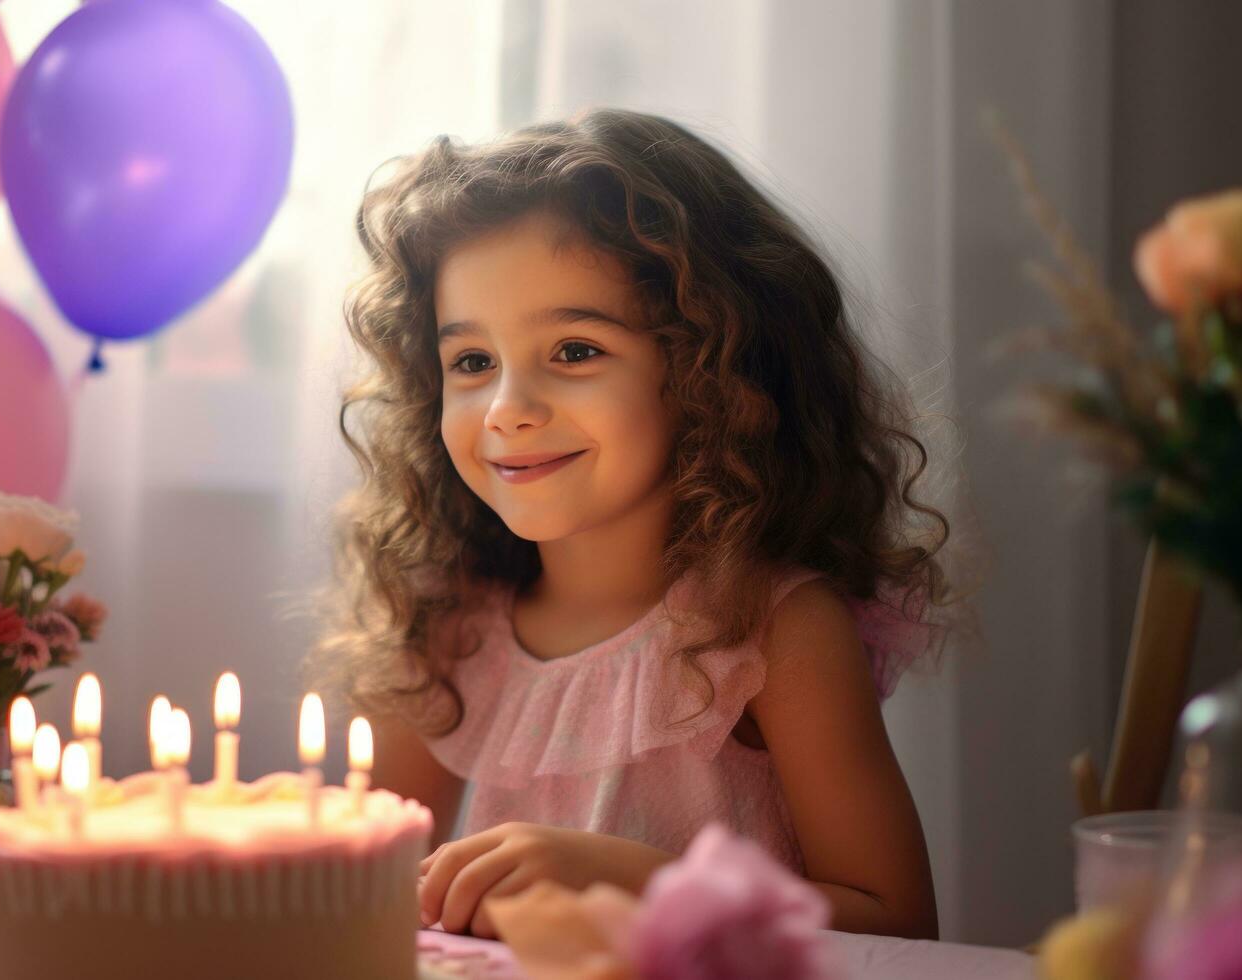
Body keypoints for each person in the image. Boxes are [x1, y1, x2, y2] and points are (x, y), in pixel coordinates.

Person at [308, 107, 961, 941]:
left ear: (709, 372)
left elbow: (898, 929)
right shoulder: (445, 630)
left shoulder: (775, 631)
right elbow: (368, 901)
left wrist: (644, 883)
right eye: (471, 362)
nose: (507, 410)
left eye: (575, 350)